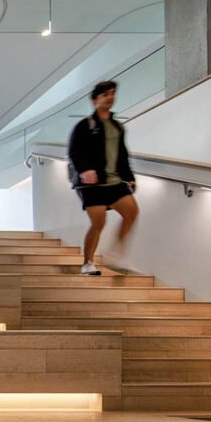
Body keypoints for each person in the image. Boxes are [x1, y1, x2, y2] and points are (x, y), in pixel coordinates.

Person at [68, 80, 139, 276]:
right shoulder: (85, 126)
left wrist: (129, 177)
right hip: (91, 185)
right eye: (105, 94)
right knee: (99, 223)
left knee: (132, 212)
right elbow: (73, 152)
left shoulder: (117, 126)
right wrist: (84, 170)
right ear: (94, 100)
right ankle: (88, 263)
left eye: (113, 93)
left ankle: (115, 255)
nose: (110, 97)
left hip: (114, 181)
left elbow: (122, 153)